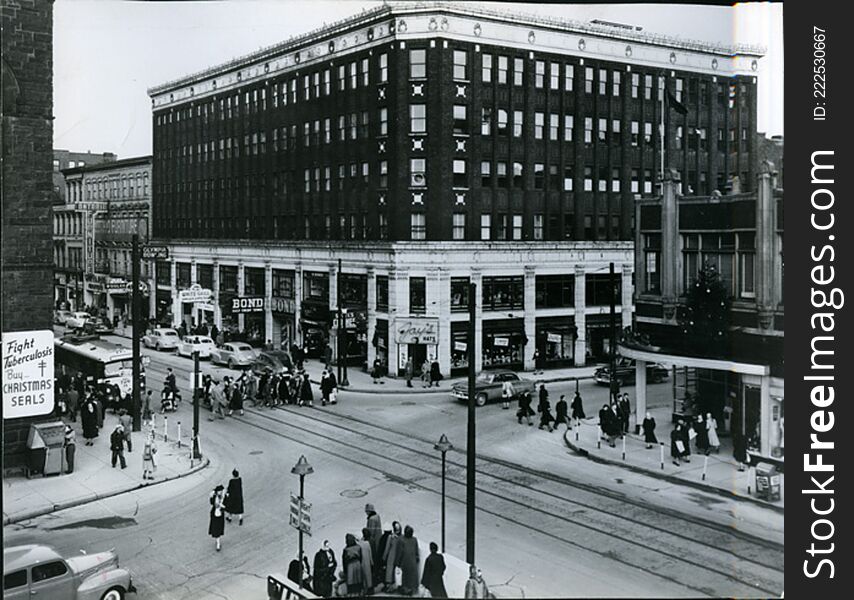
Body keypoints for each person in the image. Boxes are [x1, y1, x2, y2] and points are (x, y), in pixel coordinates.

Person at [398, 525, 420, 596]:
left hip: (405, 562)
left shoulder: (401, 540)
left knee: (405, 577)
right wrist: (417, 557)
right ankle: (411, 589)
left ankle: (406, 590)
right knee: (411, 577)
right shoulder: (414, 540)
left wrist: (398, 562)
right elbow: (416, 551)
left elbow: (400, 552)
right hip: (413, 562)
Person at [382, 521, 403, 592]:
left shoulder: (391, 537)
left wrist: (384, 557)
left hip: (391, 557)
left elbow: (387, 548)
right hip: (399, 557)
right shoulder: (402, 537)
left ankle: (389, 587)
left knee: (389, 573)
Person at [209, 484, 226, 551]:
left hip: (219, 514)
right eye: (220, 491)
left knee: (217, 529)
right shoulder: (215, 497)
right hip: (216, 514)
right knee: (217, 529)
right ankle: (218, 543)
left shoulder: (222, 497)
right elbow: (212, 503)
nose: (221, 492)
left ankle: (218, 541)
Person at [358, 528, 374, 594]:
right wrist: (371, 561)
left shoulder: (358, 545)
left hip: (362, 562)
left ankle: (365, 590)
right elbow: (370, 553)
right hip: (367, 562)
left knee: (363, 577)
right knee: (368, 576)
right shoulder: (367, 543)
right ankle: (370, 589)